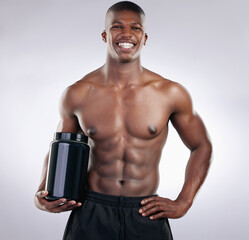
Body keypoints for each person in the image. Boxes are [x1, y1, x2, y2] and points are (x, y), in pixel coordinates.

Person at [34, 1, 212, 239]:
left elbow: (201, 145)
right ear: (104, 34)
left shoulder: (170, 93)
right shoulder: (78, 93)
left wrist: (184, 201)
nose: (126, 34)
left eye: (135, 28)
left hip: (146, 210)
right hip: (91, 210)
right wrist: (42, 192)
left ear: (145, 37)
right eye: (117, 27)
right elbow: (60, 145)